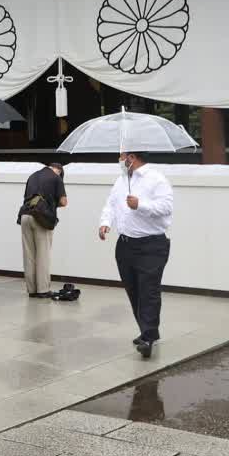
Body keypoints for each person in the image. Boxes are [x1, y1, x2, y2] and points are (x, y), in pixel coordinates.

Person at [98, 150, 174, 359]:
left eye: (122, 157)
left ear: (132, 158)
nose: (119, 160)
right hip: (125, 245)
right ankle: (147, 329)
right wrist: (105, 223)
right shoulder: (121, 180)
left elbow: (166, 207)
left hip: (151, 246)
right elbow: (111, 204)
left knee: (148, 290)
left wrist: (140, 205)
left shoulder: (156, 179)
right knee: (133, 290)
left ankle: (147, 337)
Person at [19, 157, 68, 298]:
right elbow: (64, 202)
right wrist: (52, 204)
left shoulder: (32, 176)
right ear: (59, 172)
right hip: (41, 218)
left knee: (29, 255)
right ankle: (43, 290)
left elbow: (27, 197)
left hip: (25, 215)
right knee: (43, 255)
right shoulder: (56, 178)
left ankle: (32, 290)